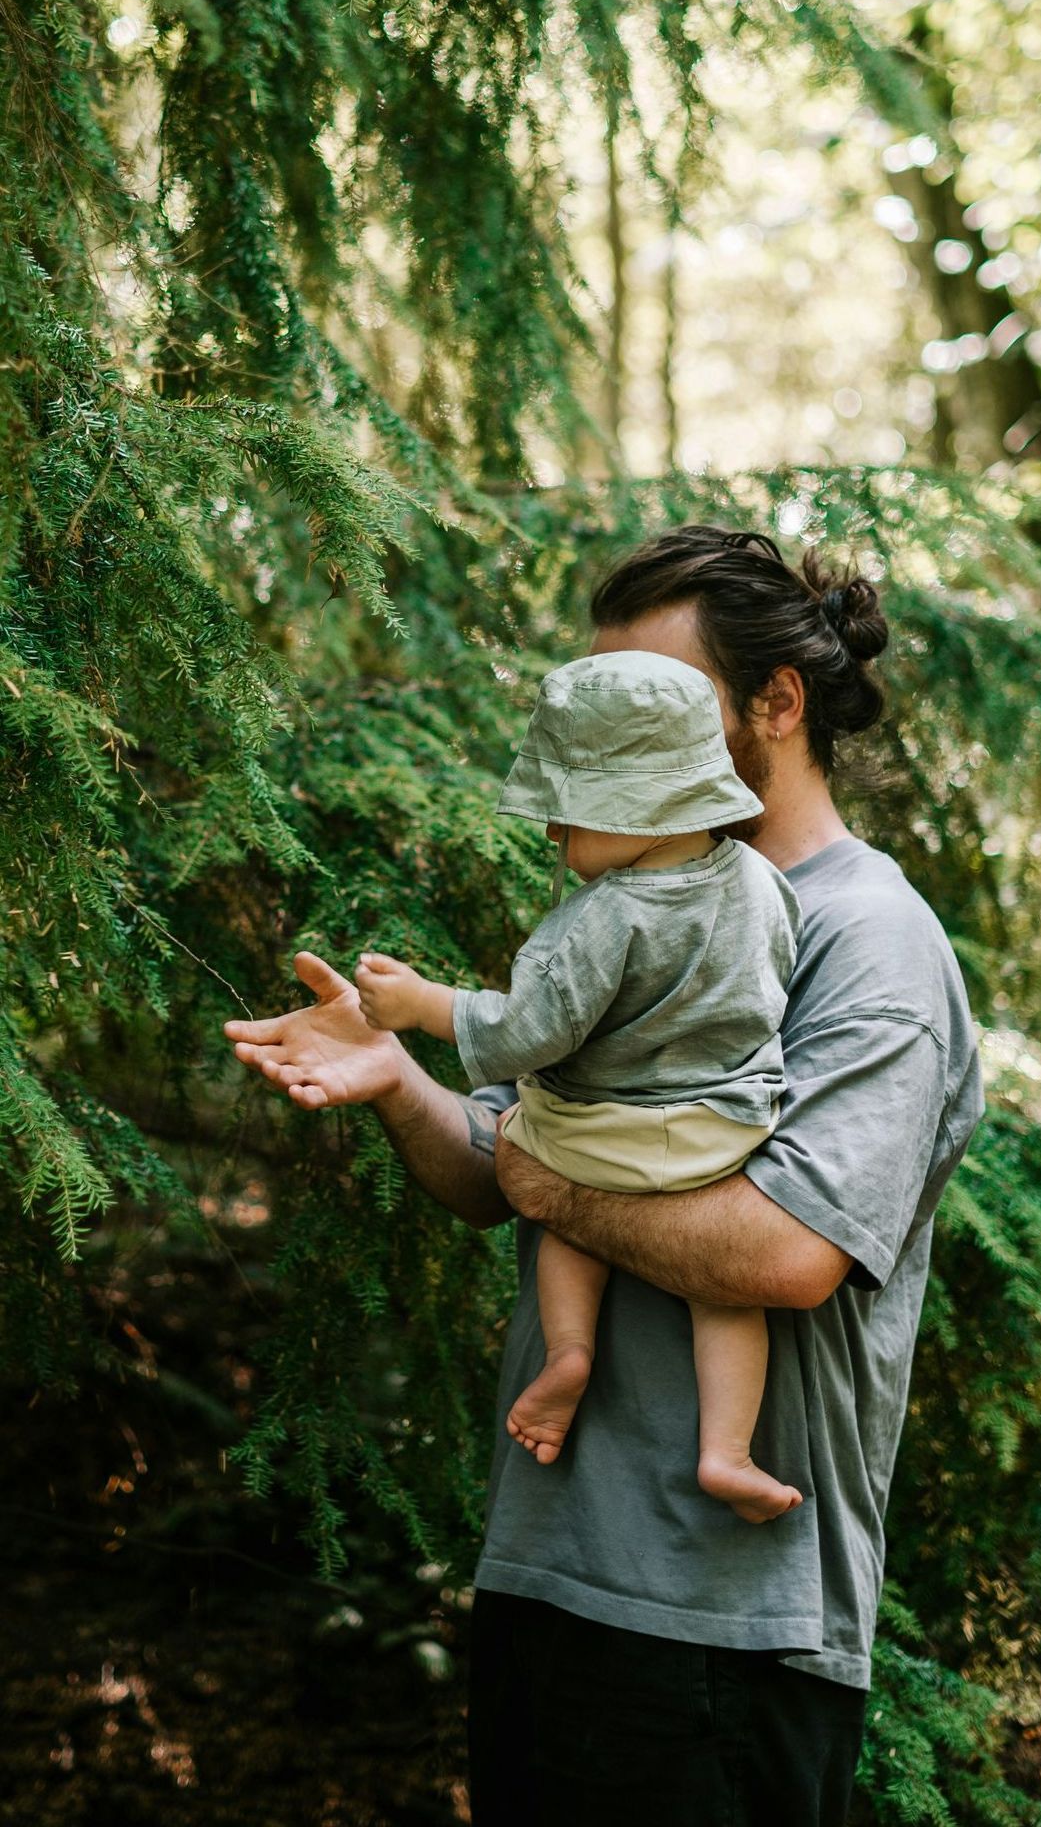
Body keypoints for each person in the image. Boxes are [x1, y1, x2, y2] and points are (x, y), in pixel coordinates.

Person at [223, 524, 987, 1826]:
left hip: (715, 1623)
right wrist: (395, 1077)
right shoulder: (632, 905)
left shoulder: (867, 938)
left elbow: (783, 1252)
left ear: (776, 702)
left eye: (654, 696)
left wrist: (541, 1174)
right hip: (550, 1567)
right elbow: (504, 1164)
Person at [352, 649, 806, 1521]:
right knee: (726, 1294)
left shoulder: (607, 916)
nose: (553, 838)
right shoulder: (763, 881)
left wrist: (422, 1004)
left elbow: (528, 1032)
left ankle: (569, 1352)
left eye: (566, 818)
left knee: (562, 1201)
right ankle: (727, 1453)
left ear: (637, 809)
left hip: (598, 1130)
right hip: (724, 1133)